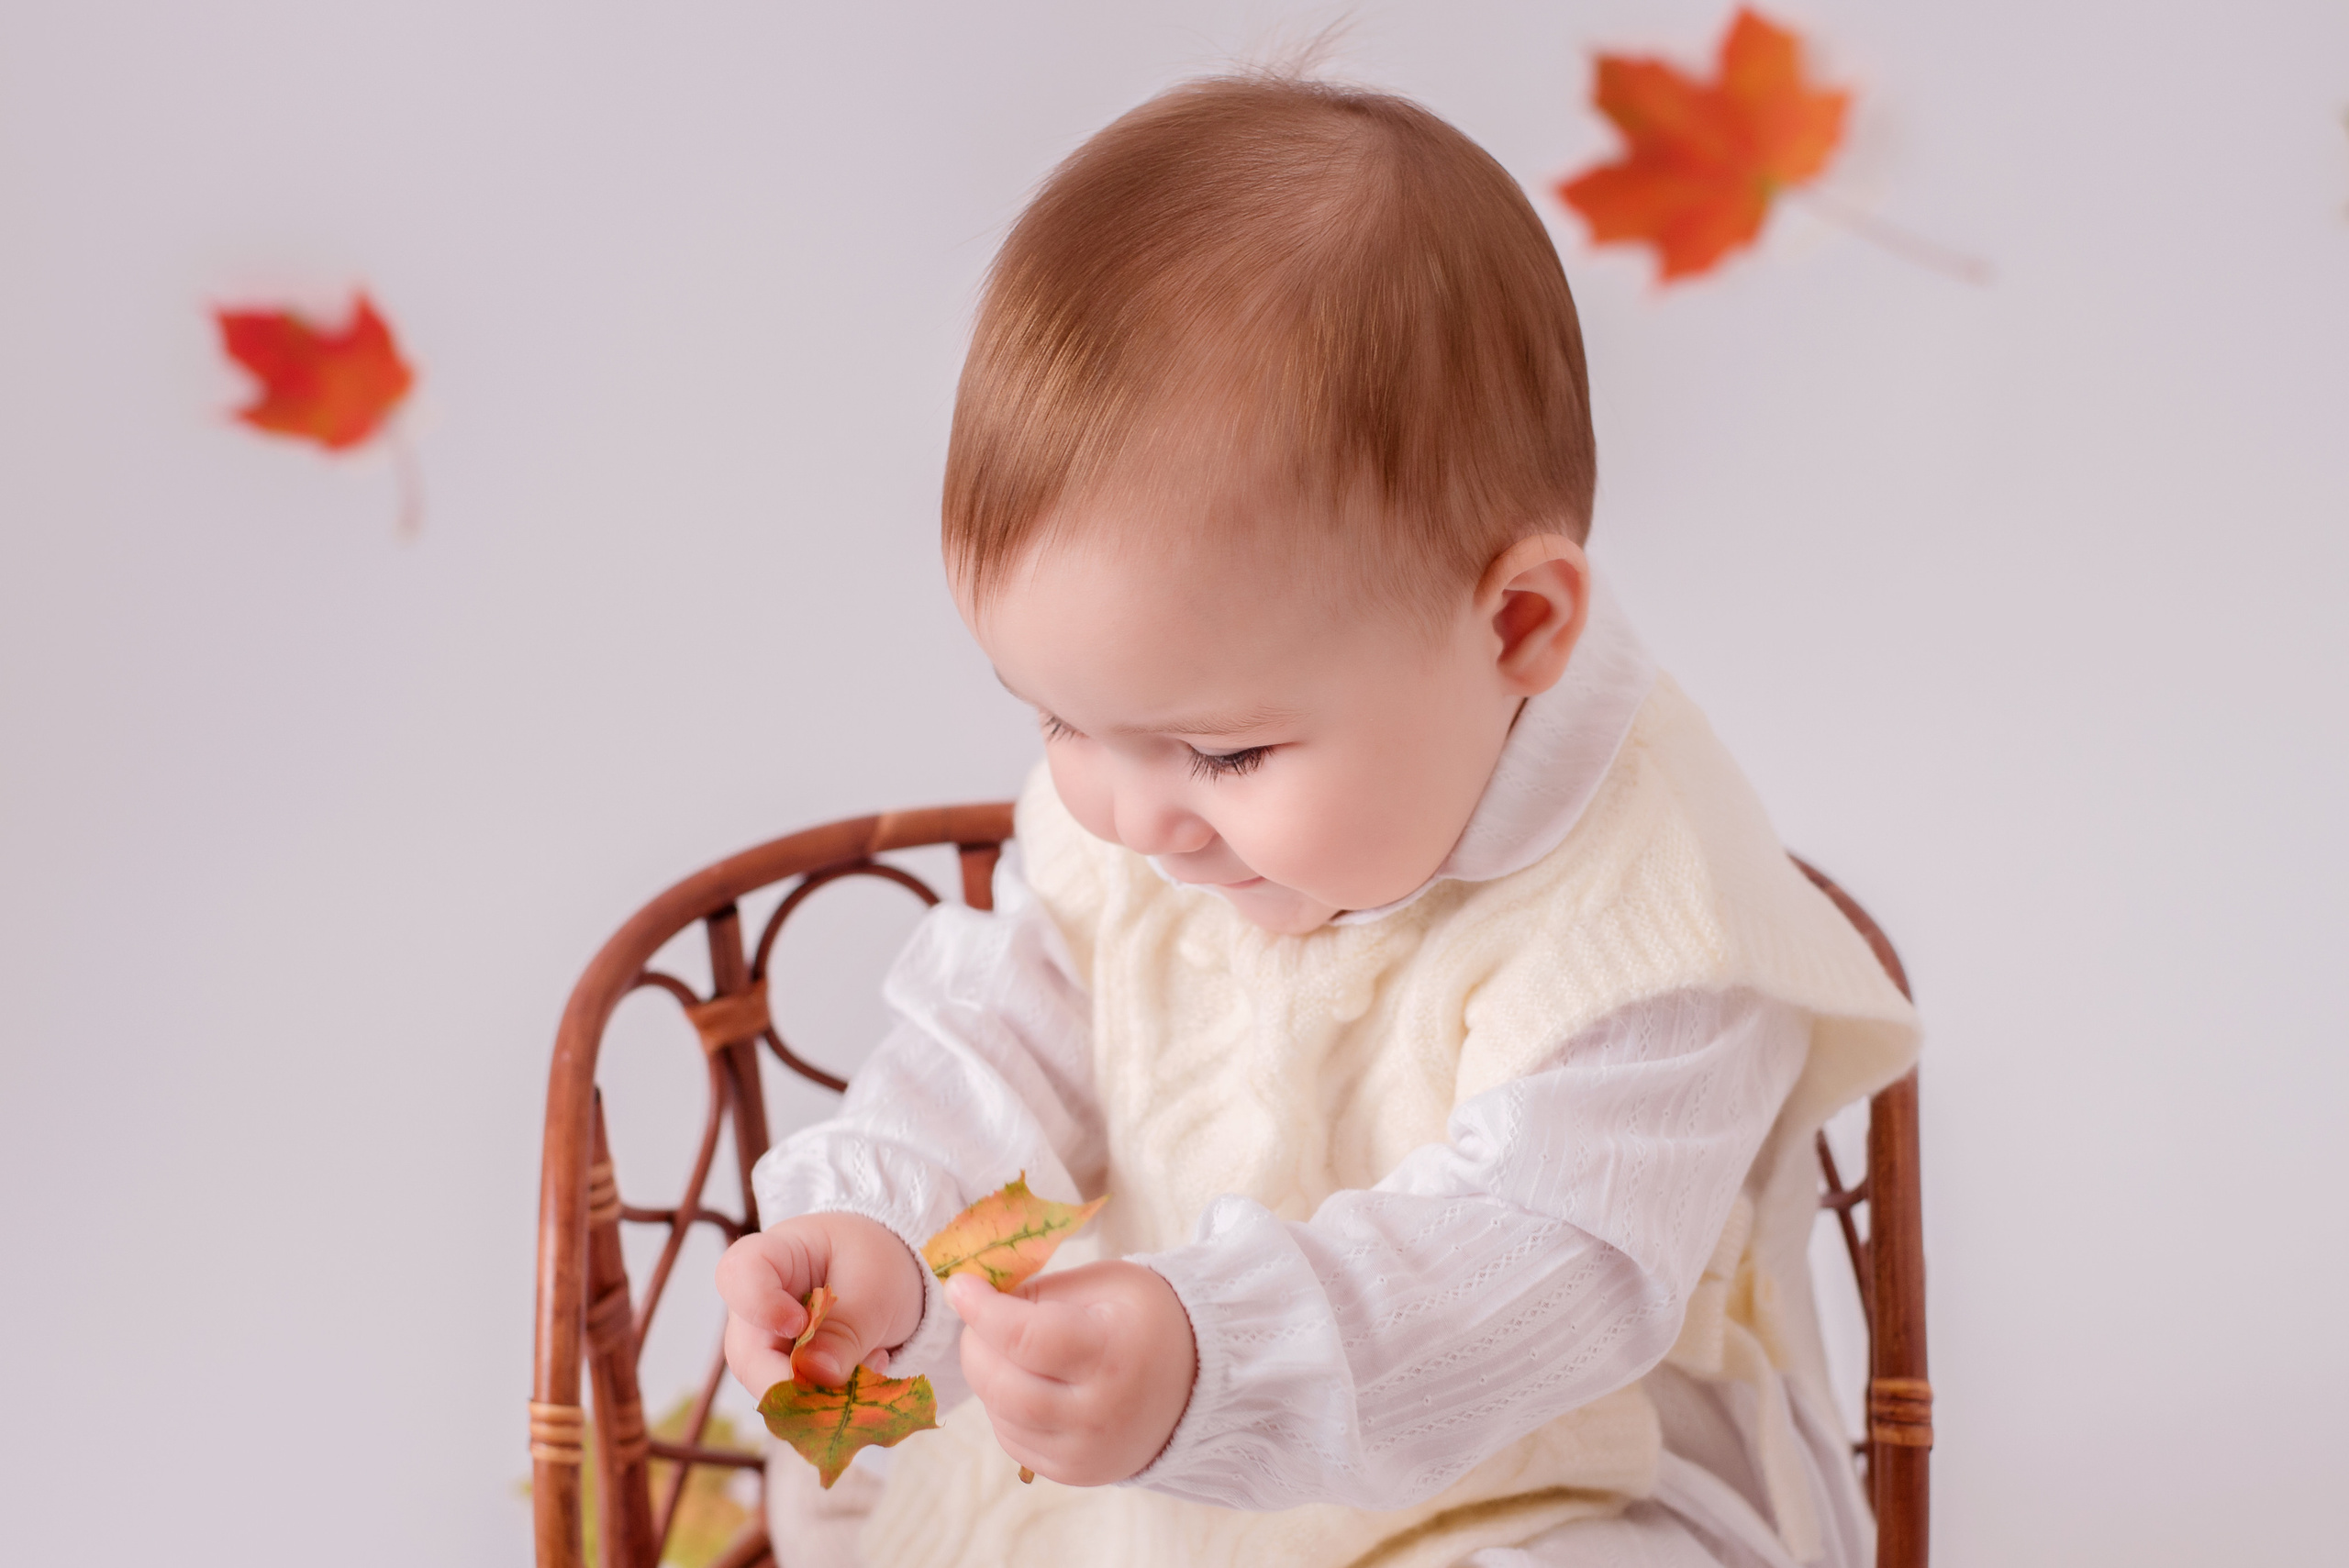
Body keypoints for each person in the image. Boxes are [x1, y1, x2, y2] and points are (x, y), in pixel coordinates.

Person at [717, 72, 1920, 1568]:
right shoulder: (1133, 800)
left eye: (1223, 752)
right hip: (1148, 1456)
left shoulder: (1658, 924)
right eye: (1059, 722)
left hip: (1528, 1475)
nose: (1130, 811)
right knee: (885, 1492)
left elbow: (1539, 1267)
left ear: (1519, 626)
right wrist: (888, 1245)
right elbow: (1006, 1051)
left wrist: (1212, 1356)